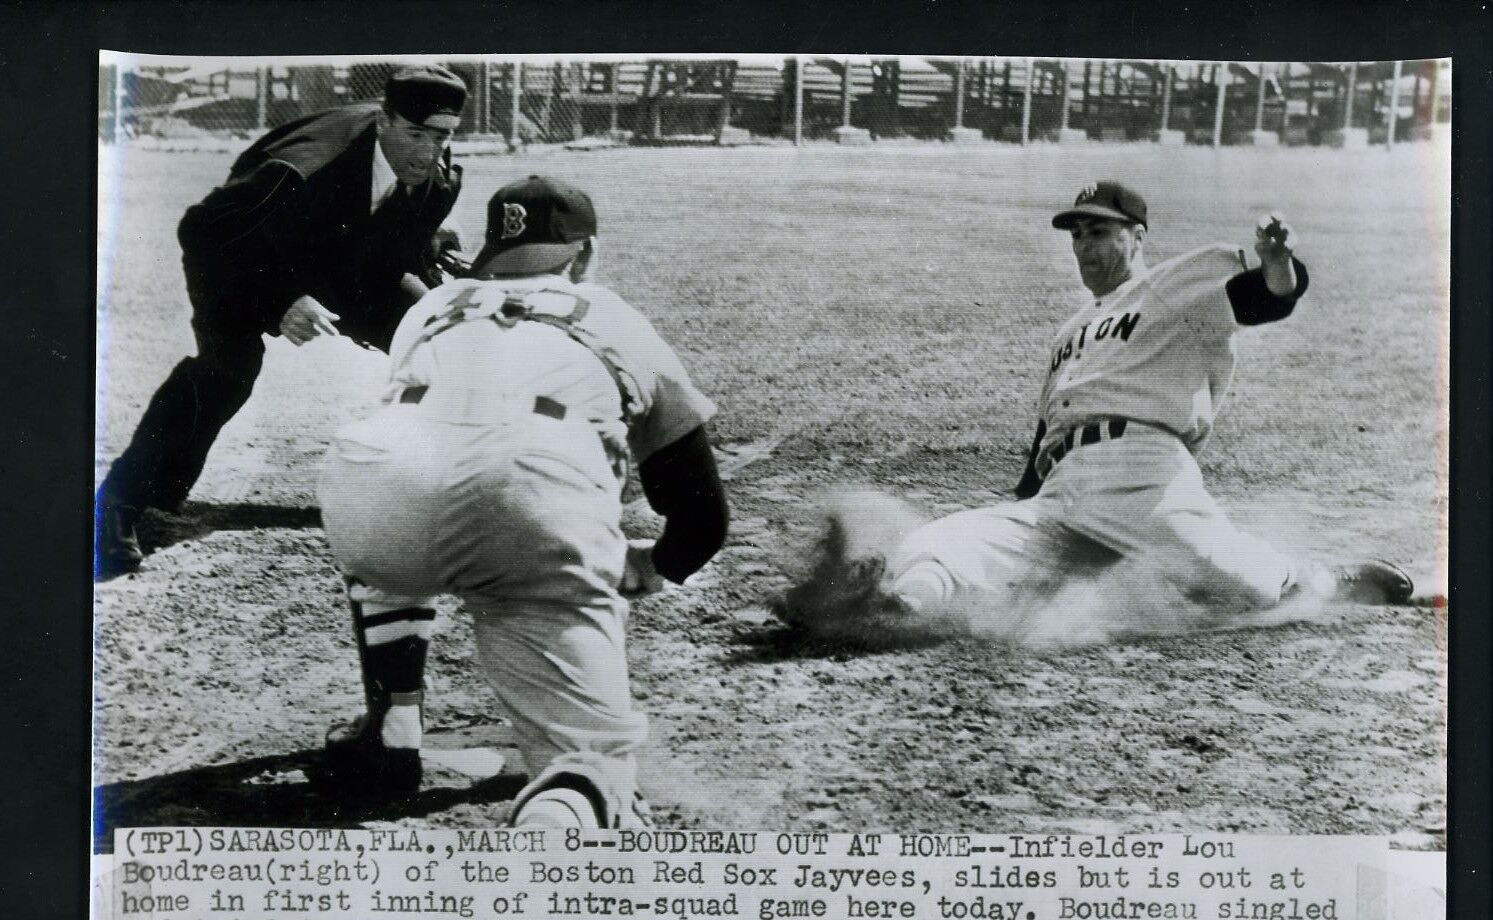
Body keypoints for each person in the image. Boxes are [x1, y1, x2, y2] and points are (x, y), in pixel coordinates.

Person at [779, 179, 1413, 630]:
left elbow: (1266, 299)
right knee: (947, 540)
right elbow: (1040, 451)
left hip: (1145, 480)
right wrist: (1020, 529)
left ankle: (1334, 582)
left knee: (1261, 590)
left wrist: (1280, 263)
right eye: (1078, 233)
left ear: (1137, 236)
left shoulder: (1175, 295)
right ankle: (892, 610)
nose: (1084, 245)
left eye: (1100, 231)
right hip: (1064, 492)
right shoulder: (1068, 334)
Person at [316, 175, 729, 828]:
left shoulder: (432, 306)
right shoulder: (613, 314)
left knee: (405, 499)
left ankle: (392, 725)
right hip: (531, 491)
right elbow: (704, 517)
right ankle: (566, 816)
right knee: (585, 776)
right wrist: (652, 566)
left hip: (373, 484)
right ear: (584, 255)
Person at [95, 65, 469, 578]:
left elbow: (395, 241)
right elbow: (204, 230)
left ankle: (463, 490)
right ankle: (120, 502)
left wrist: (435, 261)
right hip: (244, 255)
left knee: (440, 335)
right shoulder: (306, 167)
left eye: (443, 135)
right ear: (383, 121)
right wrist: (280, 301)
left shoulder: (434, 171)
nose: (429, 151)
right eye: (417, 134)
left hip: (341, 257)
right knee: (230, 370)